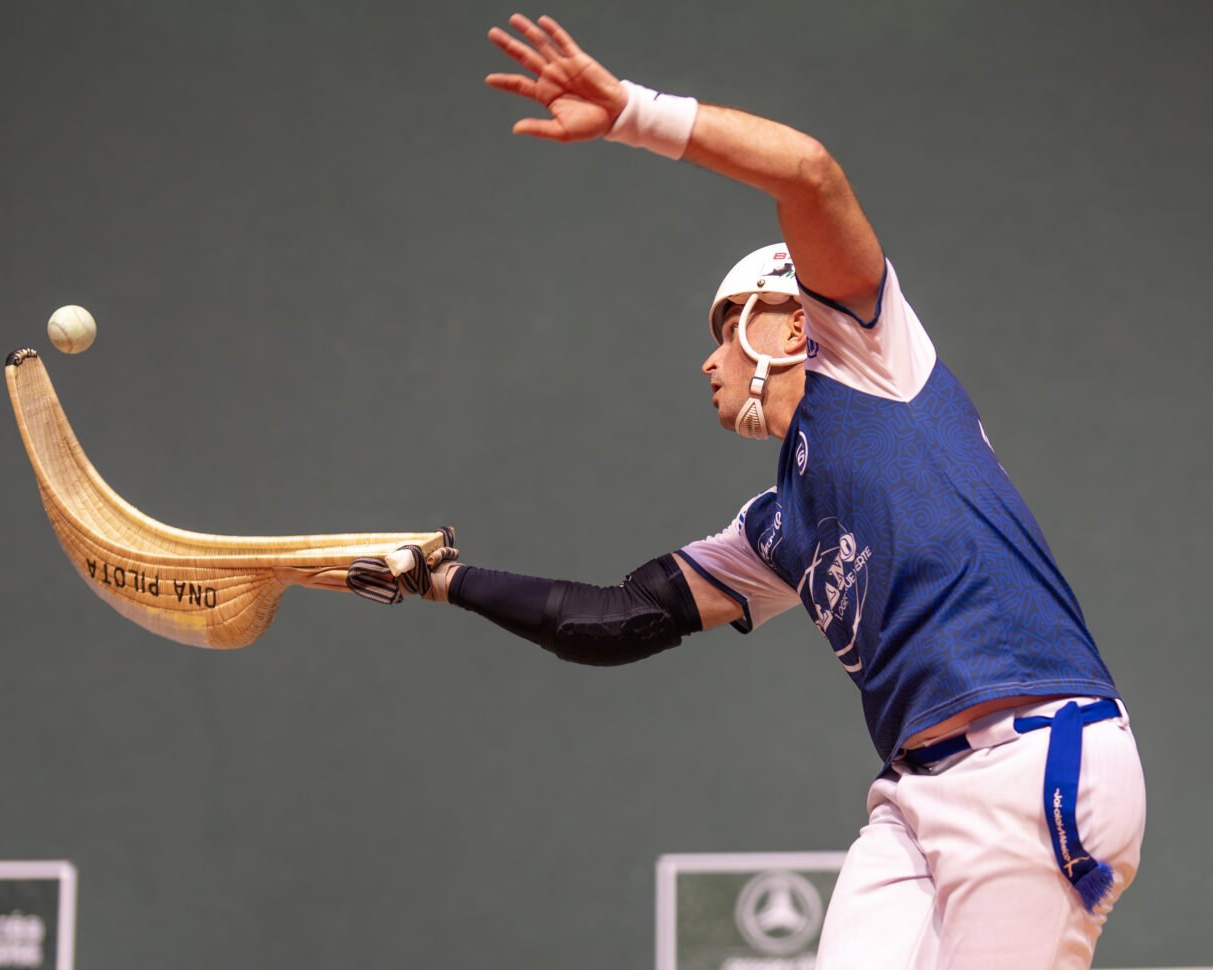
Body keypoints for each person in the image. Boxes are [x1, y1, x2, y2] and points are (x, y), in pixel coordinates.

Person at [353, 14, 1147, 969]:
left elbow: (808, 172)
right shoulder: (775, 528)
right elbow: (614, 619)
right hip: (916, 798)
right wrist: (437, 578)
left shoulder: (872, 359)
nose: (708, 361)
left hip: (1036, 760)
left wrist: (632, 113)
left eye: (723, 328)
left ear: (787, 320)